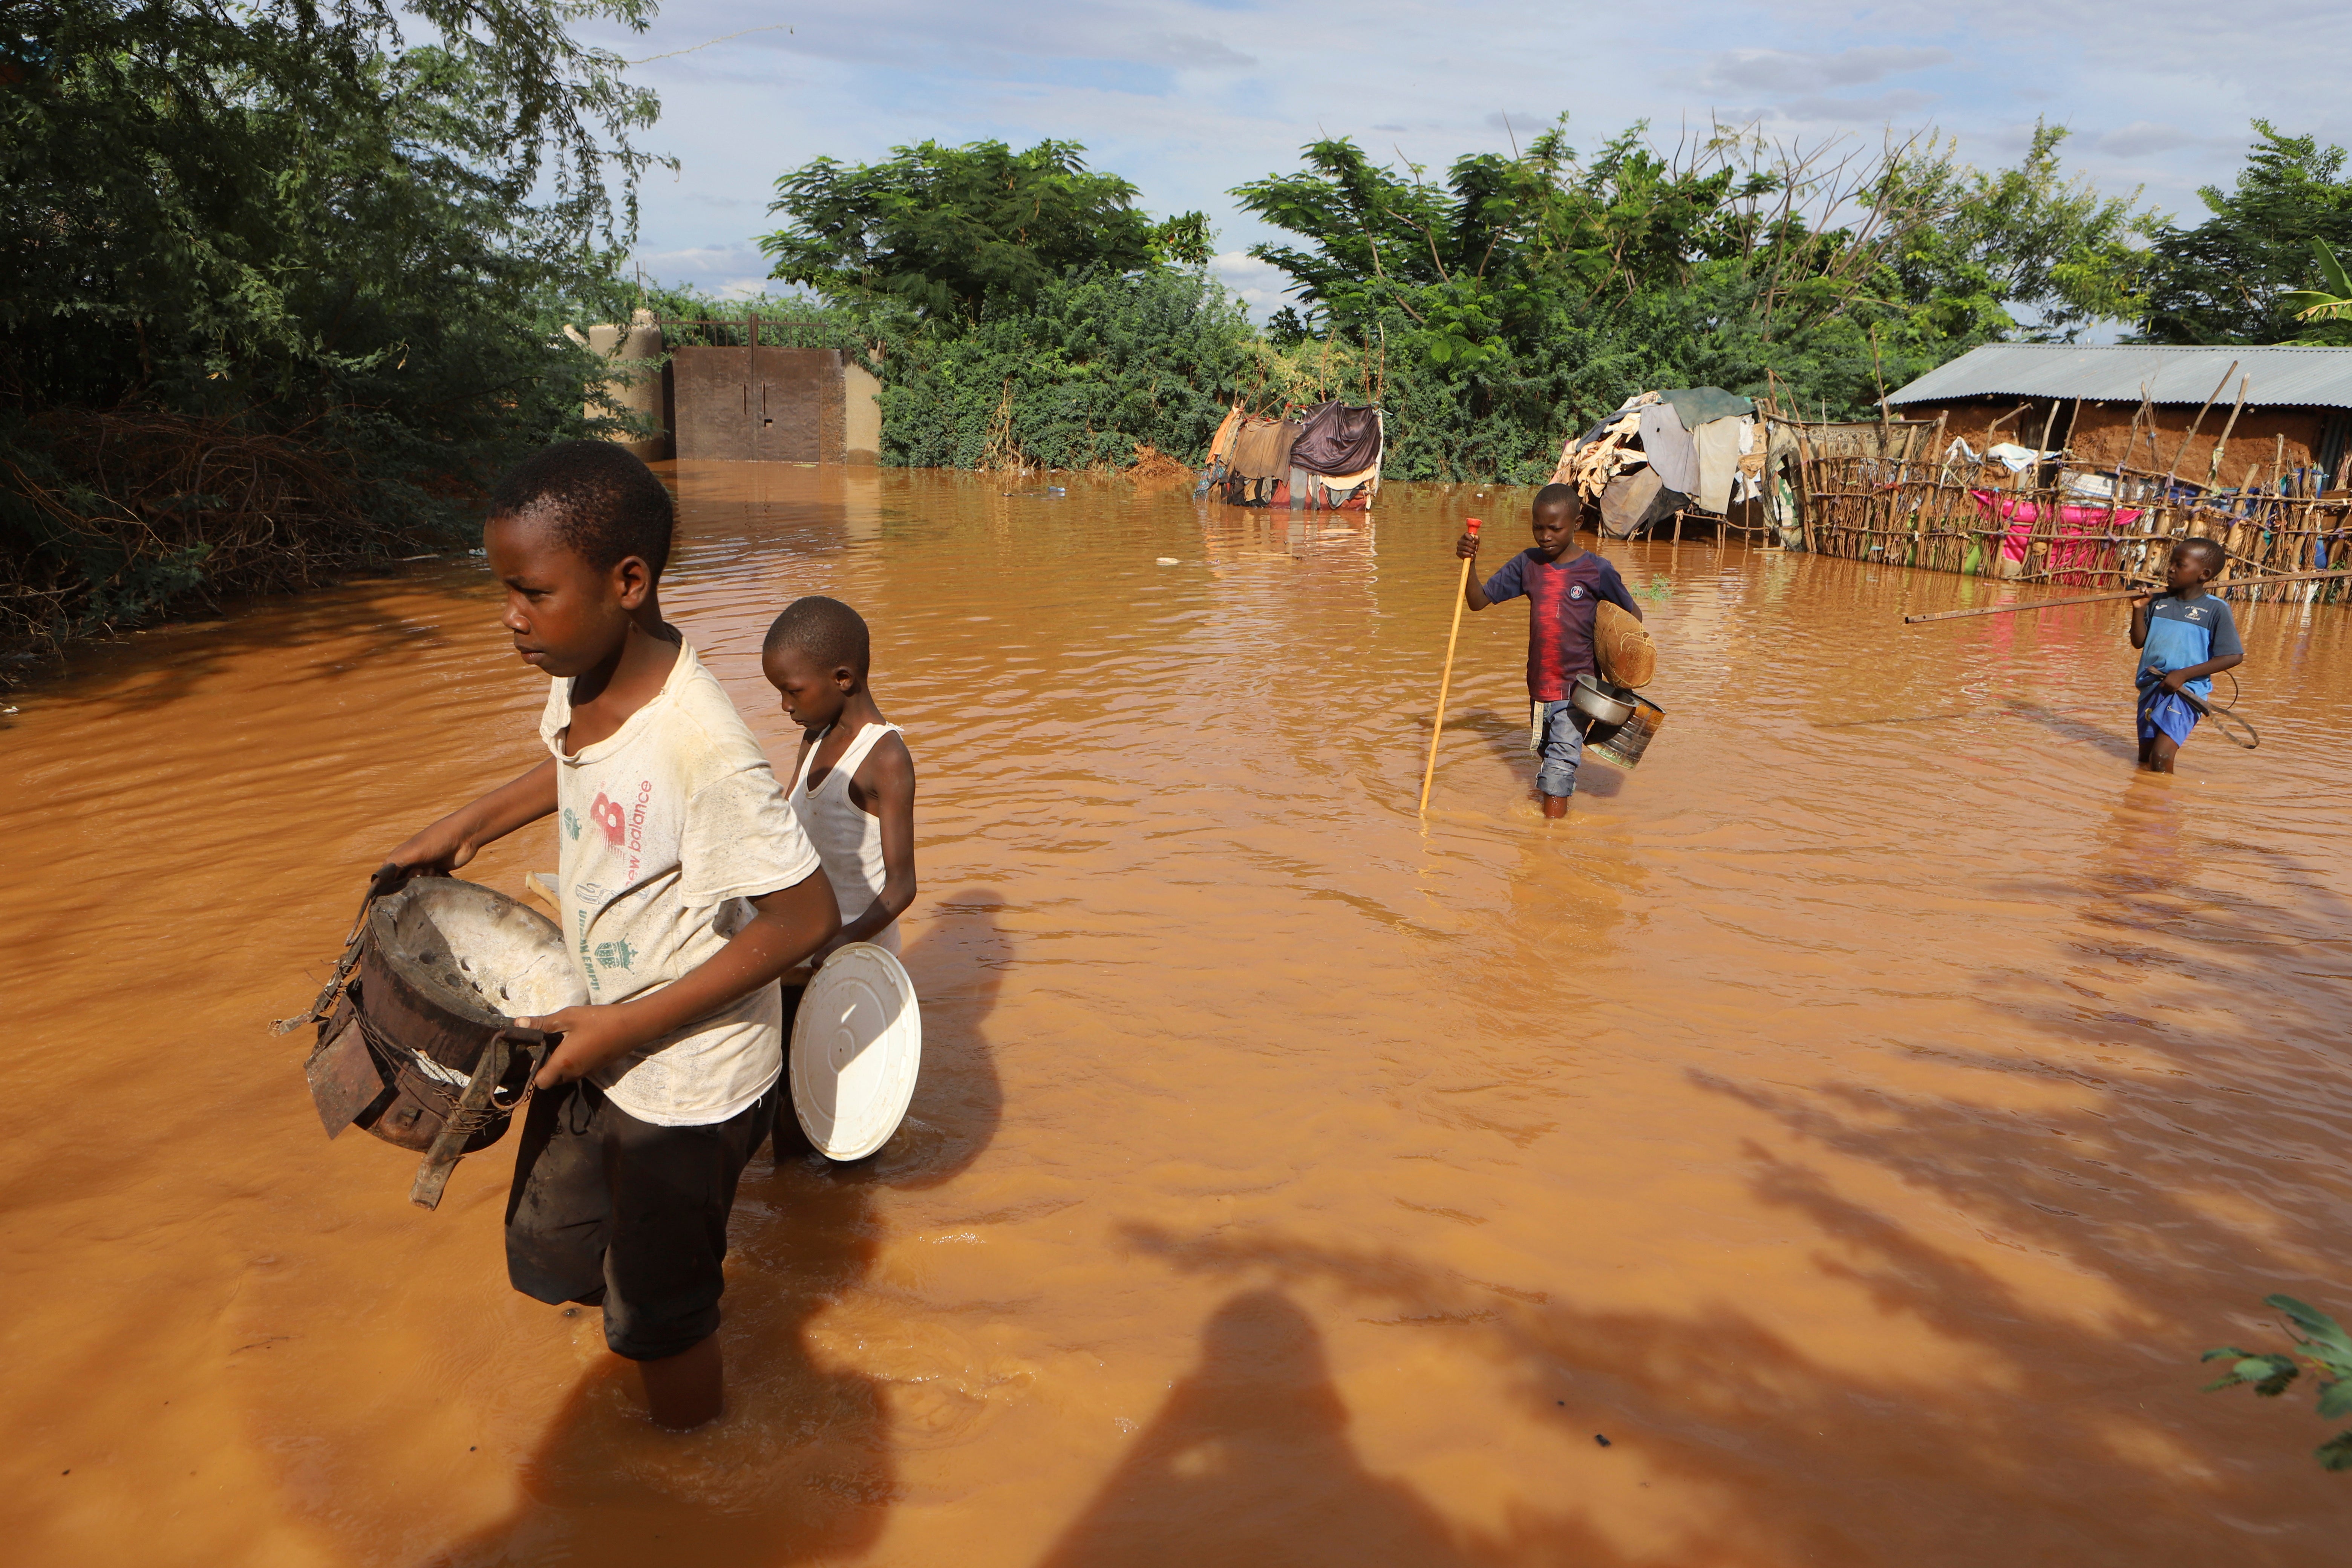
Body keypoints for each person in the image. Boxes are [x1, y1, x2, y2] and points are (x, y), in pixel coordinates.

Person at [374, 441, 840, 1431]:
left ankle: (691, 1477)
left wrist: (623, 1031)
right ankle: (627, 1339)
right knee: (553, 1250)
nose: (511, 616)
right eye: (503, 588)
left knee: (663, 1316)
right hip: (596, 1032)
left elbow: (807, 919)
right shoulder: (582, 672)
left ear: (628, 582)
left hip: (688, 1078)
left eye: (531, 592)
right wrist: (462, 826)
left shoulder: (703, 746)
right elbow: (572, 762)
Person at [760, 596, 918, 1060]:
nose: (785, 705)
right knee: (787, 1076)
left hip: (849, 958)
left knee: (834, 1081)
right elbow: (787, 825)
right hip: (804, 946)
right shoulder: (814, 735)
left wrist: (843, 940)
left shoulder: (885, 758)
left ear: (843, 679)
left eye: (793, 690)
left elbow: (902, 887)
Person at [1454, 483, 1644, 818]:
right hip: (1539, 686)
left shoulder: (1597, 571)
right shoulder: (1528, 565)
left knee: (1558, 769)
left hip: (1578, 692)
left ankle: (1550, 843)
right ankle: (1556, 813)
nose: (1545, 536)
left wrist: (1619, 676)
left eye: (1554, 528)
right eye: (1538, 527)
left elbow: (1632, 622)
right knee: (1549, 756)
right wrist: (1470, 561)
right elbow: (1478, 601)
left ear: (1577, 523)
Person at [2128, 536, 2245, 774]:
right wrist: (2139, 610)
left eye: (2180, 565)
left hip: (2186, 691)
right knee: (2144, 758)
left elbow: (2233, 656)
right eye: (2171, 562)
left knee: (2160, 757)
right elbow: (2139, 642)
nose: (2170, 569)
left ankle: (2162, 807)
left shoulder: (2215, 610)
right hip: (2153, 687)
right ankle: (2141, 805)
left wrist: (2183, 675)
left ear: (2204, 574)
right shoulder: (2158, 602)